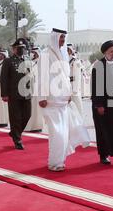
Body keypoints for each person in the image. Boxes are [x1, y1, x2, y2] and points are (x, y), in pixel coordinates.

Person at [38, 28, 91, 172]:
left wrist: (69, 94)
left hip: (63, 100)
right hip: (50, 100)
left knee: (63, 133)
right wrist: (42, 96)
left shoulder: (64, 54)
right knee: (57, 133)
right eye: (61, 38)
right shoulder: (45, 55)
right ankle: (55, 163)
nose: (62, 41)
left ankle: (58, 161)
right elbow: (42, 76)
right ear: (54, 38)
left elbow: (66, 77)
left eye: (64, 38)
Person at [0, 38, 32, 150]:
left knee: (28, 115)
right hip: (14, 94)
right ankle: (17, 139)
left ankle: (15, 132)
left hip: (27, 93)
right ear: (13, 49)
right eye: (19, 48)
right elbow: (3, 78)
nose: (21, 50)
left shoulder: (27, 60)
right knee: (16, 118)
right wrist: (4, 94)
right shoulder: (8, 61)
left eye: (23, 48)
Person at [25, 46, 44, 133]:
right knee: (31, 108)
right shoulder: (30, 63)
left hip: (38, 87)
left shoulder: (41, 63)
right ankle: (30, 126)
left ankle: (37, 126)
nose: (31, 53)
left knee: (38, 108)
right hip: (30, 87)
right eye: (31, 52)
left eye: (33, 52)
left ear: (37, 53)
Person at [67, 44, 84, 116]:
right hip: (67, 85)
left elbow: (77, 76)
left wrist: (75, 89)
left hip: (73, 86)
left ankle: (80, 120)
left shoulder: (74, 60)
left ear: (70, 50)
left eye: (67, 49)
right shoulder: (67, 59)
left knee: (76, 104)